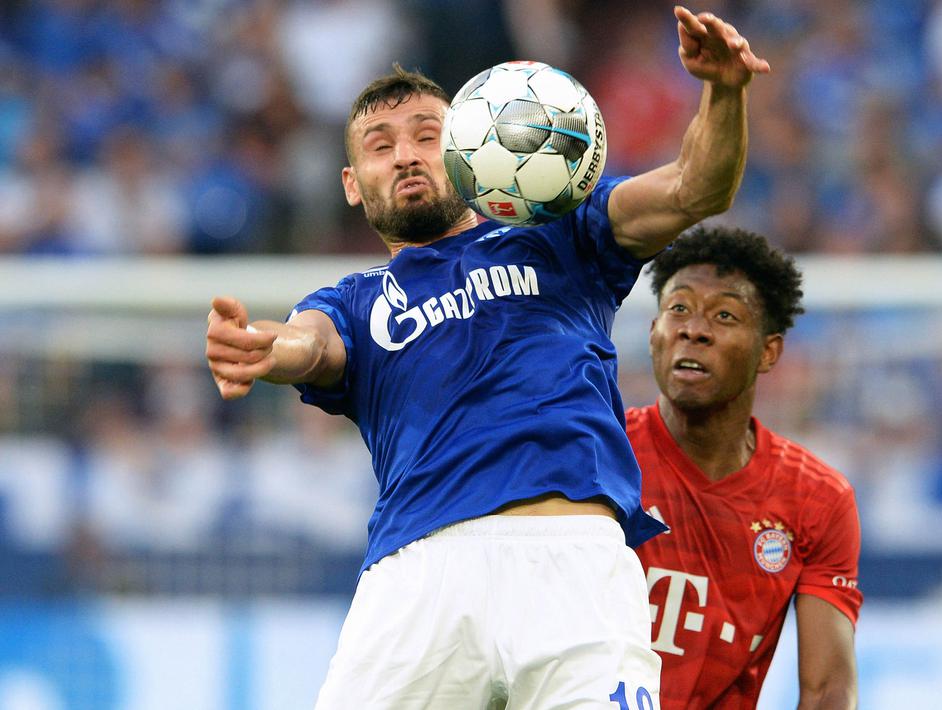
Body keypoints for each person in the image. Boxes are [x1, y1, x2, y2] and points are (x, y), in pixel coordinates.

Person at [204, 6, 768, 709]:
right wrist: (264, 346)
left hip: (575, 566)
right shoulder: (353, 299)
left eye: (426, 136)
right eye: (380, 145)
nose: (405, 154)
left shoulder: (561, 238)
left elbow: (694, 187)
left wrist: (723, 91)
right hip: (420, 578)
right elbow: (308, 343)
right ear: (352, 184)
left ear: (469, 151)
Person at [628, 225, 861, 710]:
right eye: (679, 308)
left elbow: (827, 691)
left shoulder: (815, 499)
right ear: (654, 333)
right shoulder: (596, 452)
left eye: (725, 315)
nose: (694, 329)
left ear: (768, 352)